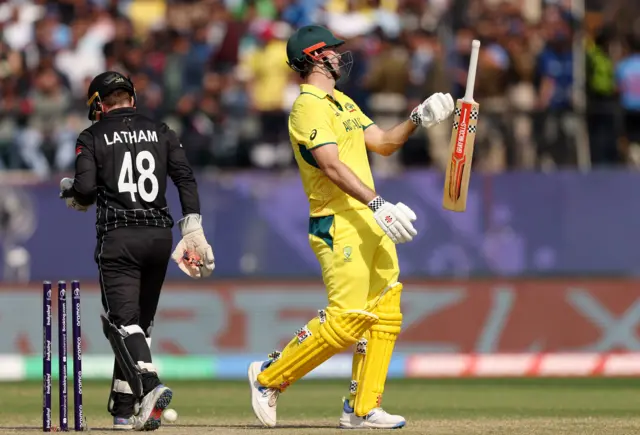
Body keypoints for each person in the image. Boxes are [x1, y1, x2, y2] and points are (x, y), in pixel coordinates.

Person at [247, 25, 454, 429]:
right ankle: (269, 378)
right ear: (314, 57)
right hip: (338, 221)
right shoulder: (307, 107)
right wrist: (378, 203)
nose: (341, 56)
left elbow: (385, 142)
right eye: (333, 50)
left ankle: (362, 408)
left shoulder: (342, 101)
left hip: (370, 219)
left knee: (386, 313)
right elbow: (330, 165)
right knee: (345, 321)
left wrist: (418, 117)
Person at [60, 71, 215, 431]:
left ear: (99, 104)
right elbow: (185, 178)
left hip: (120, 236)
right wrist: (192, 226)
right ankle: (124, 408)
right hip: (160, 235)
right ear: (131, 96)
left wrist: (72, 192)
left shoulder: (92, 135)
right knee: (138, 327)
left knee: (121, 322)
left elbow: (84, 190)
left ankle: (149, 387)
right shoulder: (161, 130)